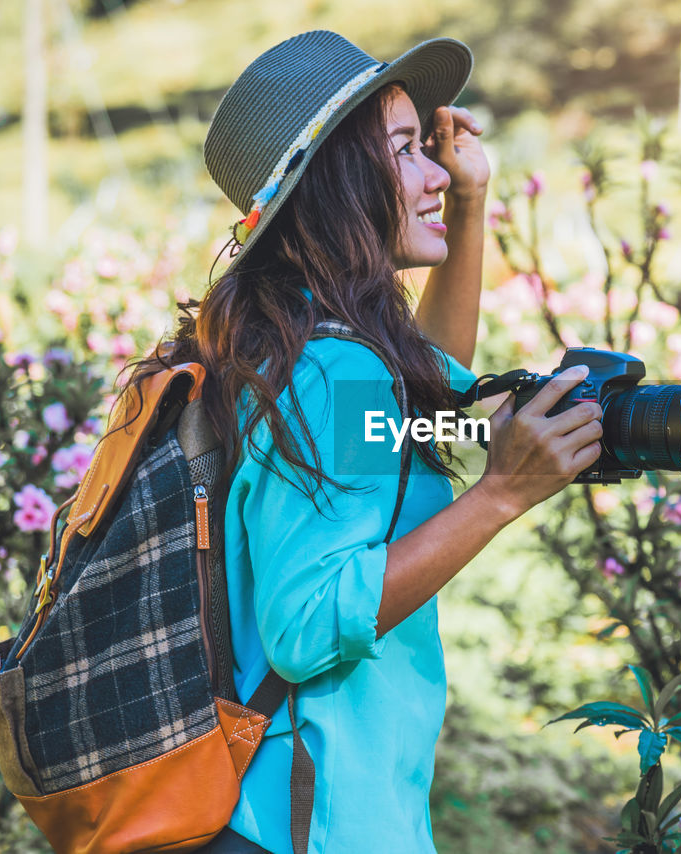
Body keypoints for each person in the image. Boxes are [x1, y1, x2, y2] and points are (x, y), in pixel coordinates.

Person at [131, 31, 603, 854]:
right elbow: (307, 626)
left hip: (309, 801)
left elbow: (423, 398)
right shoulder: (325, 369)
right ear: (335, 184)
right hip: (311, 817)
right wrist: (500, 496)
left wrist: (467, 206)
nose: (435, 170)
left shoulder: (317, 342)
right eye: (407, 151)